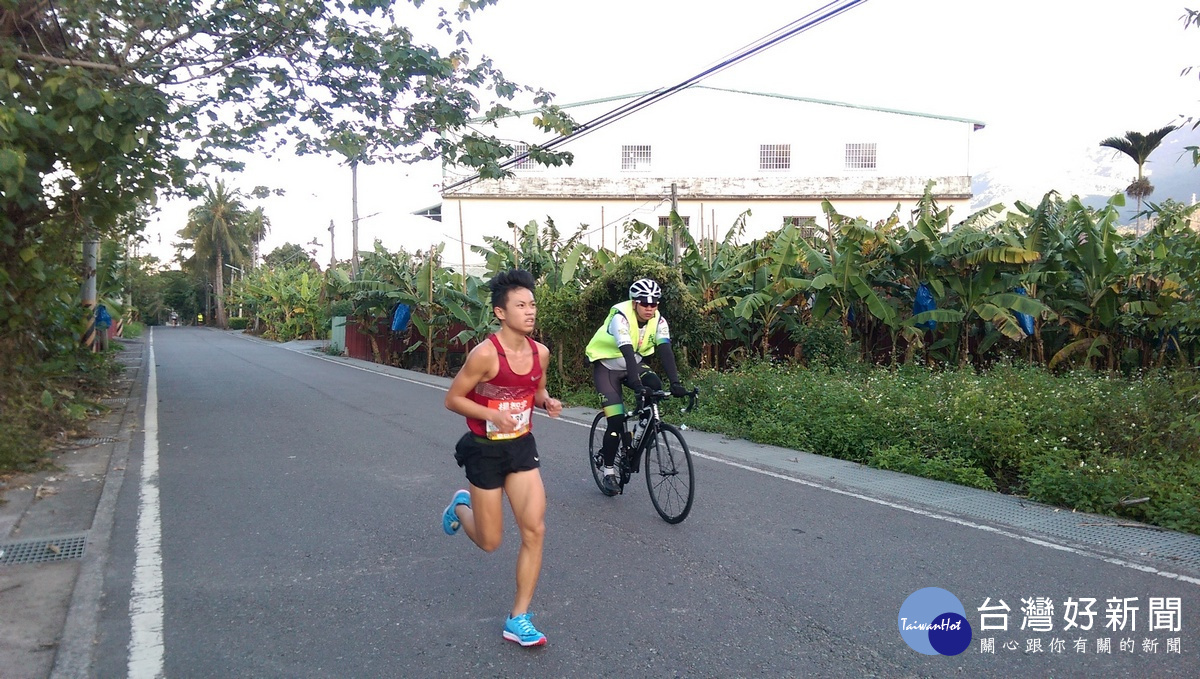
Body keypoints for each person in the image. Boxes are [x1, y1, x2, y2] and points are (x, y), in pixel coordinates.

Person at [441, 268, 562, 647]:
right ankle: (462, 506)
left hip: (521, 447)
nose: (530, 312)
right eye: (521, 305)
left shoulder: (540, 352)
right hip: (485, 451)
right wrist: (492, 414)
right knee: (491, 541)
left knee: (535, 530)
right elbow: (453, 399)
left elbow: (536, 390)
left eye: (532, 305)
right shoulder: (484, 355)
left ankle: (519, 617)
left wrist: (546, 401)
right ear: (500, 312)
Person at [584, 277, 689, 493]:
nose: (650, 308)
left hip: (634, 363)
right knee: (614, 420)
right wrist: (635, 383)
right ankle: (609, 471)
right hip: (607, 367)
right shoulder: (620, 317)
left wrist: (676, 383)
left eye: (654, 303)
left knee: (655, 386)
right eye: (645, 303)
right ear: (635, 303)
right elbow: (626, 350)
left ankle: (641, 427)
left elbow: (665, 351)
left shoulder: (659, 320)